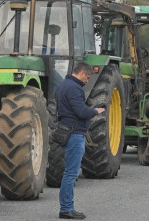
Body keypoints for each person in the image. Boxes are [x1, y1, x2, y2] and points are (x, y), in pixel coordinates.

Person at [56, 62, 104, 219]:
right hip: (75, 133)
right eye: (87, 77)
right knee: (71, 173)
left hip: (67, 130)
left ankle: (67, 207)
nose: (87, 81)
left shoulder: (63, 85)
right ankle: (66, 209)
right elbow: (81, 112)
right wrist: (96, 111)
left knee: (69, 172)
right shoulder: (74, 88)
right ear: (82, 73)